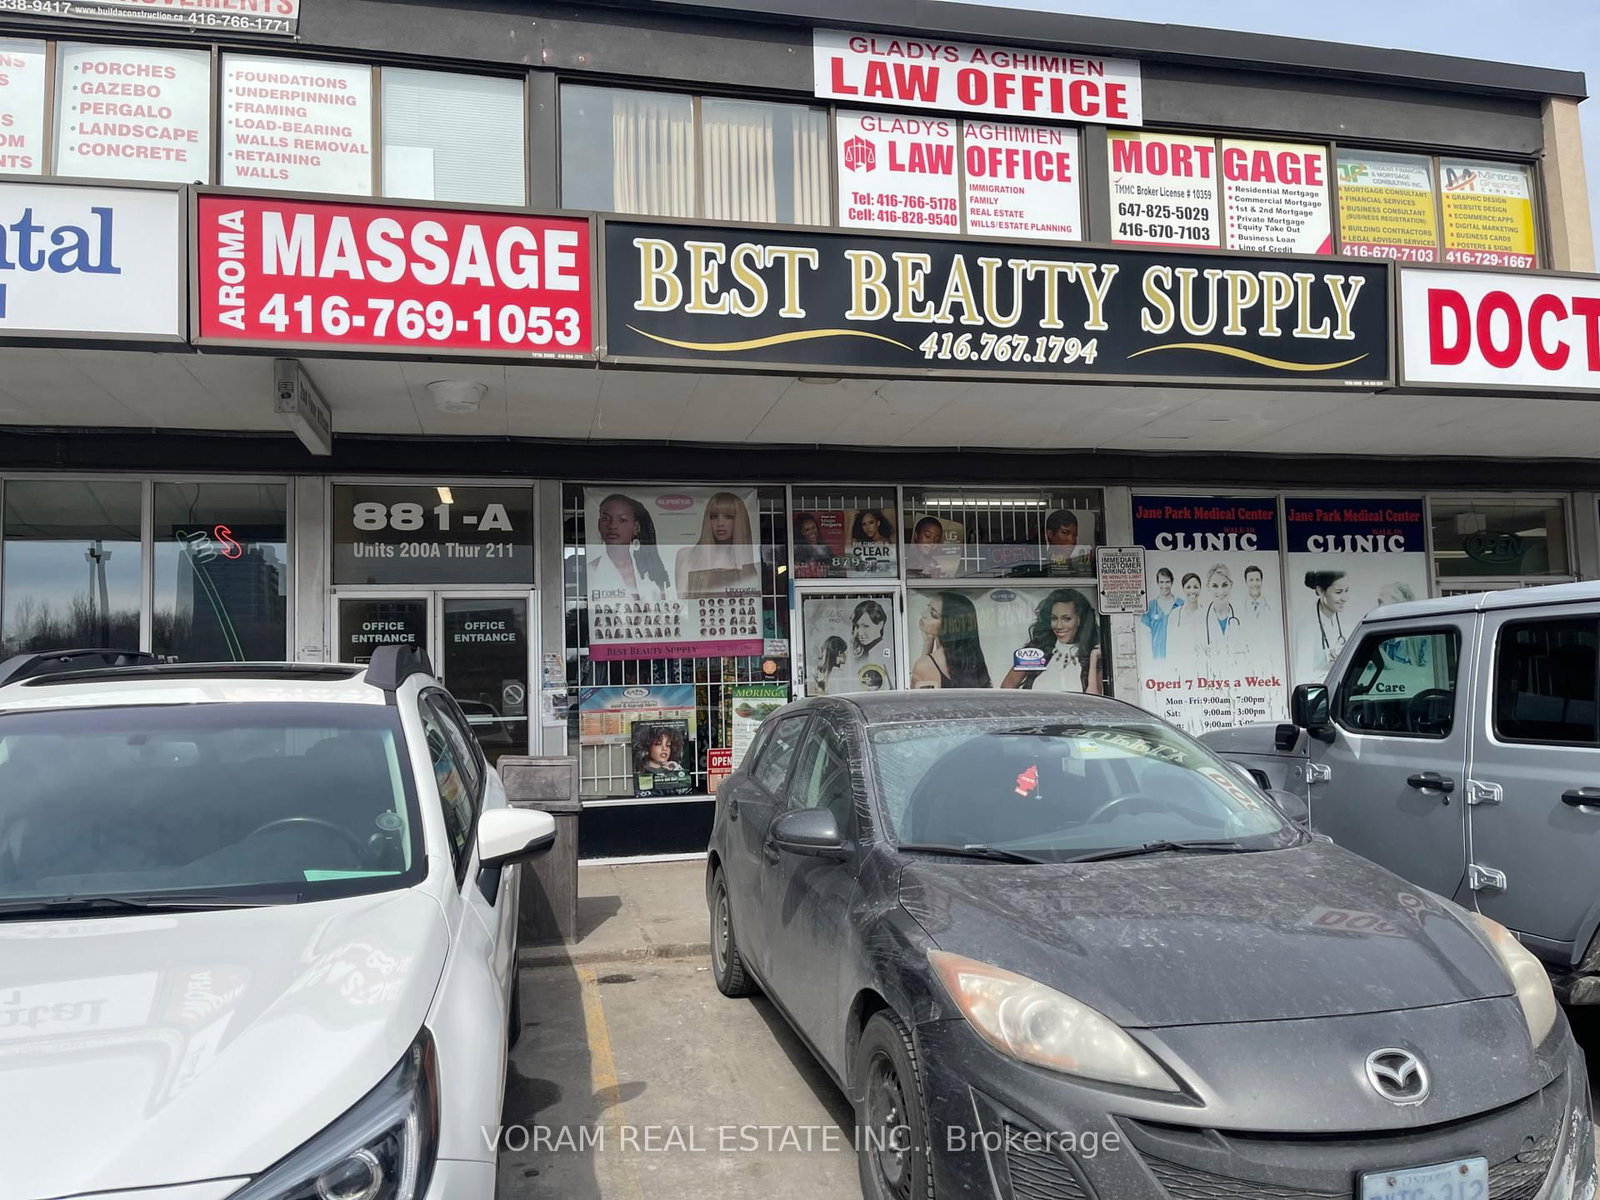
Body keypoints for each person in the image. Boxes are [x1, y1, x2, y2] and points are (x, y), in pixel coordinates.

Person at [1002, 588, 1102, 693]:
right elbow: (1006, 688)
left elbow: (1095, 698)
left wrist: (1093, 658)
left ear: (1079, 619)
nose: (1059, 626)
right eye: (1054, 618)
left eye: (1067, 619)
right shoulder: (1035, 651)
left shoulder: (1091, 655)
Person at [589, 493, 672, 603]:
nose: (612, 525)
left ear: (636, 527)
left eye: (622, 520)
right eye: (605, 519)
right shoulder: (591, 571)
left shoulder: (653, 568)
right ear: (599, 524)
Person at [676, 492, 759, 598]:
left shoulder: (747, 568)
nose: (720, 523)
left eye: (728, 517)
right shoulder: (686, 556)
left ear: (739, 521)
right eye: (714, 517)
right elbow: (681, 601)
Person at [910, 592, 991, 688]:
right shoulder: (974, 664)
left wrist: (927, 643)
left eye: (933, 614)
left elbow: (919, 691)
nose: (923, 614)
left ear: (949, 626)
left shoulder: (925, 666)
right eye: (928, 607)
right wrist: (928, 641)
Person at [1295, 568, 1351, 683]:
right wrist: (1329, 668)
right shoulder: (1306, 626)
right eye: (1338, 592)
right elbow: (1303, 677)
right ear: (1320, 591)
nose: (1345, 598)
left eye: (1346, 591)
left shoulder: (1344, 618)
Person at [1140, 567, 1182, 659]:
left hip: (1178, 655)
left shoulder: (1180, 604)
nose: (1164, 586)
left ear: (1172, 582)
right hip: (1157, 656)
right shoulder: (1150, 607)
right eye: (1161, 582)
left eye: (1167, 582)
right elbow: (1145, 636)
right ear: (1157, 583)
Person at [848, 598, 892, 679]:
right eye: (857, 626)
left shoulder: (884, 653)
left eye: (866, 626)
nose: (860, 633)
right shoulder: (861, 651)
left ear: (880, 625)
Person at [850, 508, 897, 575]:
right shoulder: (862, 542)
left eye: (871, 522)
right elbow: (847, 551)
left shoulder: (884, 541)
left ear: (878, 523)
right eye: (864, 524)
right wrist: (851, 523)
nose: (868, 527)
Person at [1045, 509, 1091, 575]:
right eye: (1065, 533)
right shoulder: (1043, 566)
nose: (1072, 540)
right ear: (1050, 534)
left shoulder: (1076, 565)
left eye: (1075, 535)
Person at [792, 511, 833, 577]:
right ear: (802, 532)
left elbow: (833, 568)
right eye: (807, 529)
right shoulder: (798, 550)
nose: (811, 532)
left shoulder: (825, 548)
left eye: (813, 527)